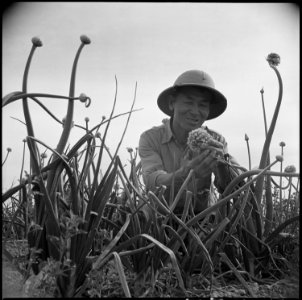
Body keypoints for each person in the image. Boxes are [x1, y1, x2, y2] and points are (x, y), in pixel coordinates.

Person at [138, 69, 240, 215]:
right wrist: (185, 174)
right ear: (172, 103)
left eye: (203, 105)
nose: (195, 111)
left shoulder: (216, 140)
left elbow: (234, 189)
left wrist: (224, 164)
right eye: (188, 102)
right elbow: (152, 183)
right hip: (159, 217)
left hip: (200, 218)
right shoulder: (150, 138)